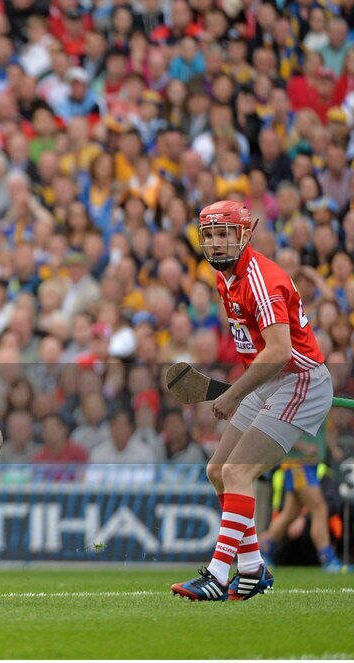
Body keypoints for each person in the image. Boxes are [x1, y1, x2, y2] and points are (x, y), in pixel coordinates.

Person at [171, 200, 332, 601]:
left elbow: (278, 352)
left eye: (224, 233)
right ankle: (252, 568)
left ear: (244, 235)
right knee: (218, 470)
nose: (216, 242)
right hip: (268, 380)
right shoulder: (225, 278)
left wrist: (234, 392)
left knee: (239, 472)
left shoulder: (260, 278)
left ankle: (217, 574)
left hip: (299, 382)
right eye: (209, 235)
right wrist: (244, 388)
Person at [261, 423, 348, 573]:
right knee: (319, 508)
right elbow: (284, 429)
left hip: (305, 464)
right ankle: (328, 561)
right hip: (300, 464)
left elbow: (327, 430)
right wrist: (304, 447)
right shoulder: (300, 401)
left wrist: (333, 449)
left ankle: (263, 554)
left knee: (290, 514)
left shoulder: (321, 403)